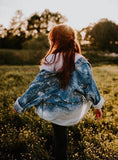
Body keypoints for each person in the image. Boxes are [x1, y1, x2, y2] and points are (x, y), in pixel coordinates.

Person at [13, 24, 104, 160]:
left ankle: (59, 153)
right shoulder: (81, 61)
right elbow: (90, 86)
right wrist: (98, 106)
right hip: (73, 109)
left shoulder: (51, 60)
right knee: (61, 137)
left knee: (59, 136)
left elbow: (37, 86)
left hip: (53, 109)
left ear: (55, 40)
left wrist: (21, 104)